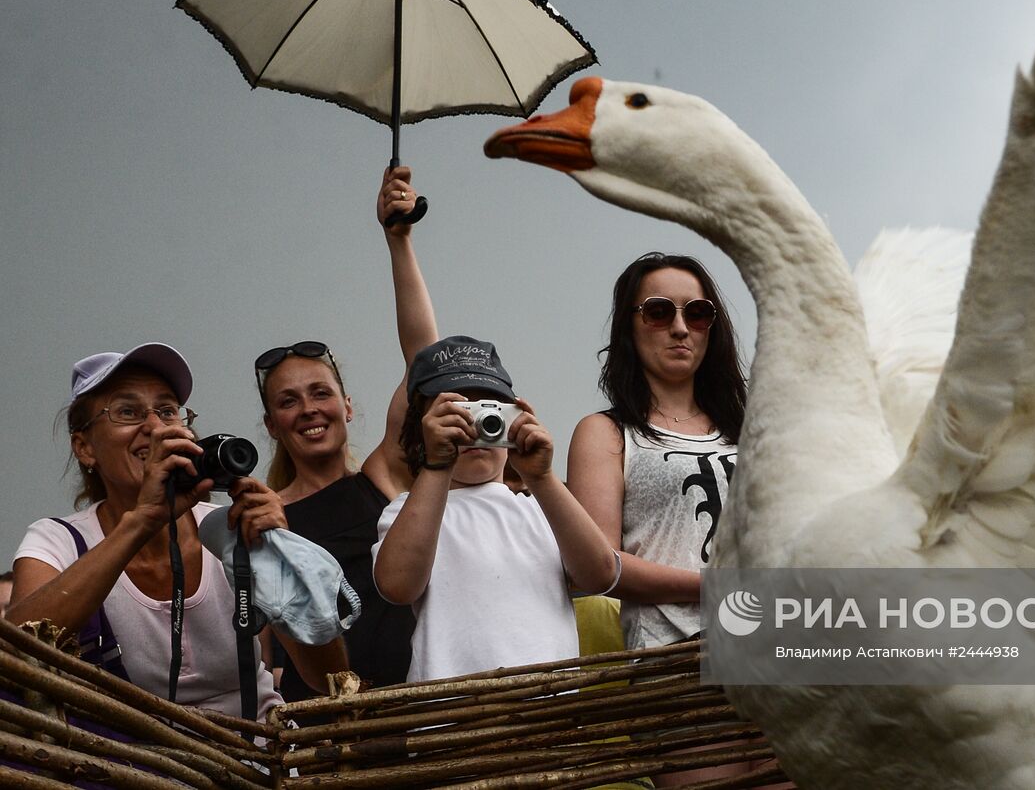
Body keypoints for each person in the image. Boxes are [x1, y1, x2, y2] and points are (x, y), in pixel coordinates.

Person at [9, 343, 347, 720]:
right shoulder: (57, 541)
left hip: (259, 760)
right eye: (127, 412)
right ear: (84, 447)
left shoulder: (228, 530)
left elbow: (326, 677)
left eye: (168, 411)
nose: (154, 427)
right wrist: (141, 522)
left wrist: (279, 556)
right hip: (132, 769)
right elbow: (15, 653)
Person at [254, 166, 432, 703]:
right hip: (319, 726)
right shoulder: (267, 516)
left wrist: (397, 241)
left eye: (320, 392)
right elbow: (264, 646)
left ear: (348, 406)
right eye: (288, 401)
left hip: (412, 710)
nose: (309, 409)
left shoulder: (382, 477)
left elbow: (425, 362)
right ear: (271, 426)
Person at [372, 336, 620, 681]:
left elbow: (602, 575)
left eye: (491, 411)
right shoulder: (407, 513)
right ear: (422, 432)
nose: (474, 427)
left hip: (548, 712)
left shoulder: (541, 507)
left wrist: (542, 476)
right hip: (450, 716)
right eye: (457, 413)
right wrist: (436, 465)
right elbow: (397, 586)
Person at [567, 253, 747, 652]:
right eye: (659, 312)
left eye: (698, 313)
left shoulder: (754, 432)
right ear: (629, 327)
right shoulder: (606, 433)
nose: (681, 328)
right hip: (676, 662)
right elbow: (597, 566)